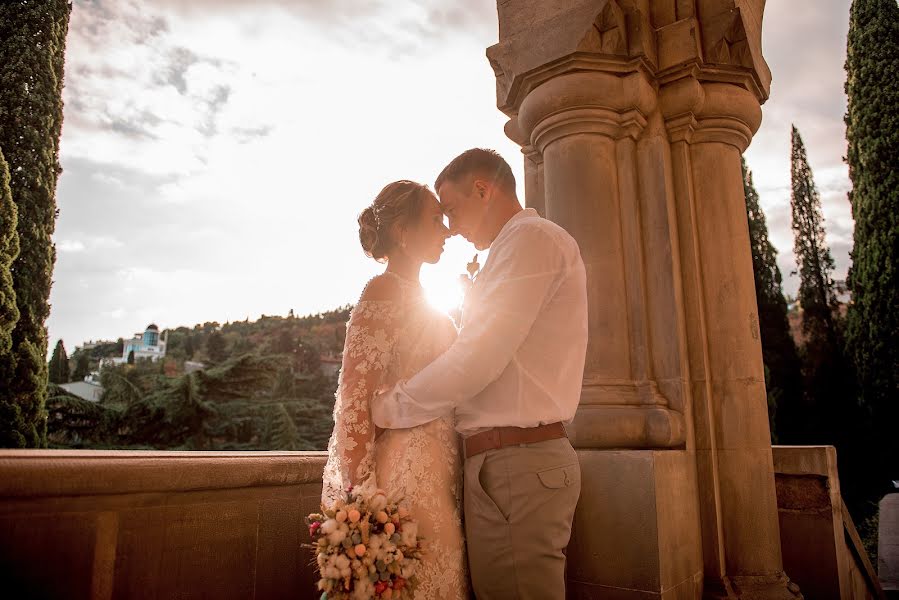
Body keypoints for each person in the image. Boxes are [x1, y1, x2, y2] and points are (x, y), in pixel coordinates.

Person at [371, 149, 588, 599]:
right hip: (511, 464)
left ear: (483, 190)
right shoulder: (518, 246)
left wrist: (390, 408)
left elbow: (479, 356)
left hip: (517, 464)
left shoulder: (530, 240)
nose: (449, 226)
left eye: (450, 209)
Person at [320, 180, 469, 599]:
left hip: (444, 468)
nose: (446, 231)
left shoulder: (431, 300)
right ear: (403, 233)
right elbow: (354, 398)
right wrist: (360, 497)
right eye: (435, 220)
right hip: (402, 478)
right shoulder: (382, 290)